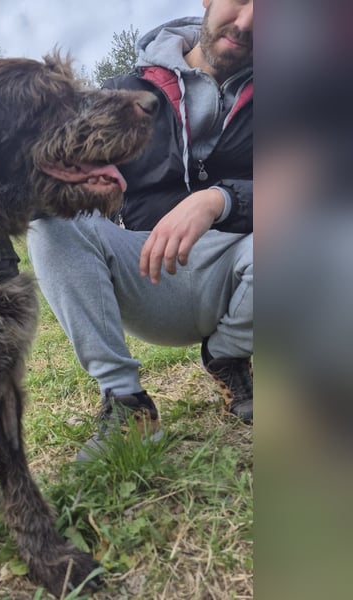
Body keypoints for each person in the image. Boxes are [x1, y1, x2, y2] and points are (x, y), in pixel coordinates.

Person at [27, 0, 253, 459]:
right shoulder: (124, 91)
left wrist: (217, 199)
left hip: (243, 268)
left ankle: (229, 354)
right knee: (46, 213)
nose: (249, 22)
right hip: (145, 268)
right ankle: (125, 399)